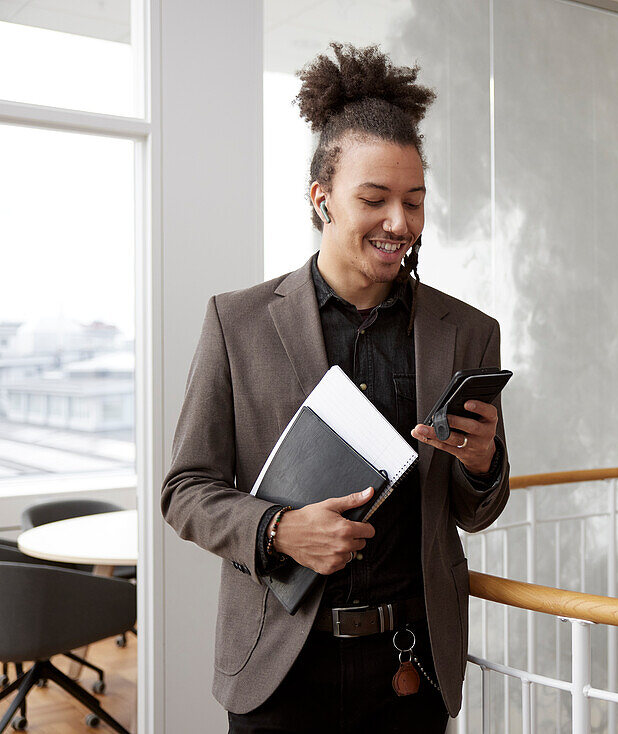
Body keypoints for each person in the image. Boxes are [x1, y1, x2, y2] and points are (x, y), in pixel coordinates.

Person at [161, 43, 509, 733]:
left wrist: (483, 463)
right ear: (321, 198)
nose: (400, 224)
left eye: (414, 202)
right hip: (279, 668)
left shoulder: (468, 332)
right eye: (374, 200)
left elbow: (477, 510)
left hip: (412, 669)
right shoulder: (236, 322)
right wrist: (280, 530)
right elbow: (185, 491)